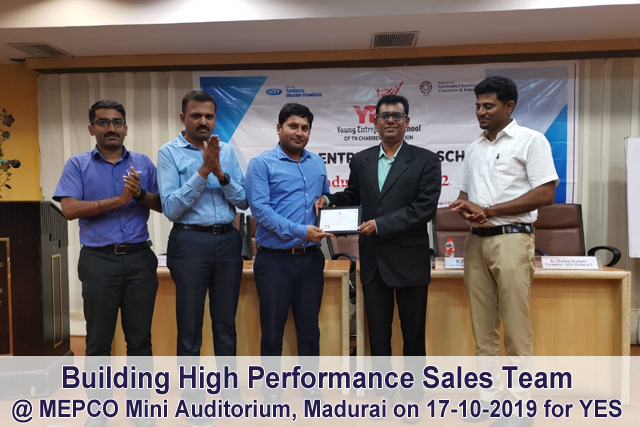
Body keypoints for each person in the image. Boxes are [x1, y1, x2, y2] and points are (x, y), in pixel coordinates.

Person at [317, 94, 441, 410]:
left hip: (410, 261)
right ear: (374, 122)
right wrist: (330, 201)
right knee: (378, 334)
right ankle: (383, 395)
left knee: (413, 334)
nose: (390, 121)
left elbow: (424, 209)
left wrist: (381, 225)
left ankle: (412, 396)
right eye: (384, 116)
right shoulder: (361, 160)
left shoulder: (426, 160)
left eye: (397, 116)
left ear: (407, 122)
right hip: (373, 262)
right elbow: (353, 196)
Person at [450, 76, 558, 427]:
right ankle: (489, 400)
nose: (480, 112)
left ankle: (520, 406)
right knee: (483, 329)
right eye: (477, 106)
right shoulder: (473, 148)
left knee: (515, 327)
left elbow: (545, 193)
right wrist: (464, 208)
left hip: (512, 239)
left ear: (509, 106)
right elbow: (465, 195)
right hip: (476, 241)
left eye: (488, 105)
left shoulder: (531, 140)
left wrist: (490, 210)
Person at [54, 99, 162, 427]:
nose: (111, 128)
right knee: (98, 341)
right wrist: (119, 200)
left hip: (140, 260)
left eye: (117, 122)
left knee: (140, 340)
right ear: (92, 129)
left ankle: (140, 409)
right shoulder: (78, 164)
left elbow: (162, 204)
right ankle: (99, 412)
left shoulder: (143, 163)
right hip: (99, 262)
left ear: (126, 128)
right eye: (103, 122)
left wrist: (139, 194)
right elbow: (69, 209)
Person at [157, 90, 247, 424]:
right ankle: (193, 398)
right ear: (184, 118)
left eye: (209, 116)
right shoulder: (169, 153)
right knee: (190, 325)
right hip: (189, 242)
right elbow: (170, 207)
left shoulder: (228, 152)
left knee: (225, 323)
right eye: (196, 116)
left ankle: (229, 394)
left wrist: (221, 172)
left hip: (227, 242)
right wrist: (203, 171)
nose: (203, 121)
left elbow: (243, 201)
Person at [245, 103, 333, 405]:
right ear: (279, 128)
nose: (299, 133)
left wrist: (325, 200)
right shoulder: (261, 164)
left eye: (305, 128)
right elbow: (261, 211)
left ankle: (310, 387)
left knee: (309, 327)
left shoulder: (316, 162)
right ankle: (271, 390)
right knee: (272, 328)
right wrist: (300, 230)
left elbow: (326, 196)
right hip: (274, 260)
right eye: (293, 126)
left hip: (310, 258)